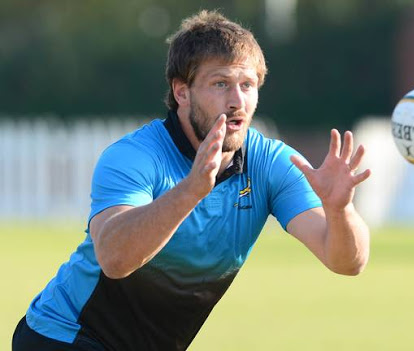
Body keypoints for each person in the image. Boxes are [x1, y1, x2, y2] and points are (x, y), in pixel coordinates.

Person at [12, 10, 371, 351]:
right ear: (182, 92)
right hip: (63, 335)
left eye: (248, 84)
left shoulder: (270, 163)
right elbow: (114, 259)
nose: (237, 101)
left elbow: (346, 262)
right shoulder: (136, 156)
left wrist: (340, 211)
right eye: (221, 83)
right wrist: (191, 190)